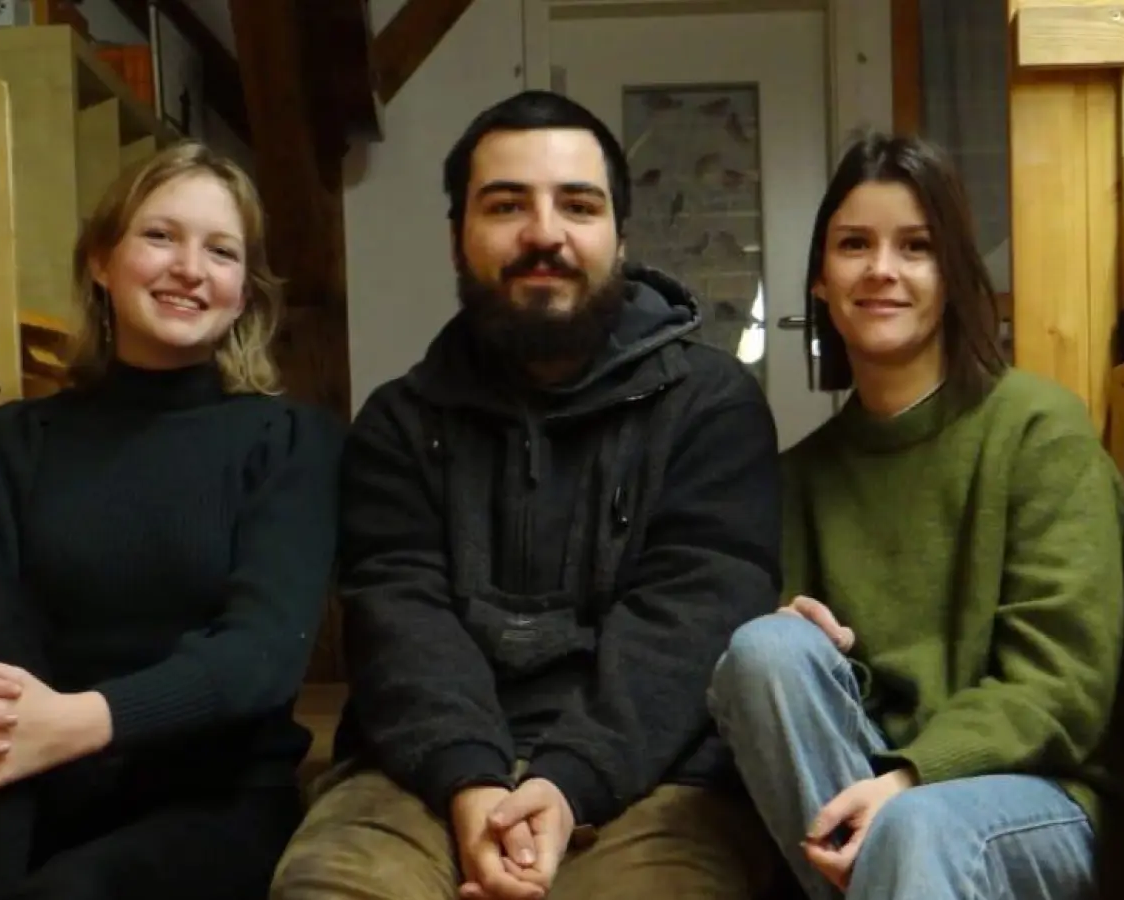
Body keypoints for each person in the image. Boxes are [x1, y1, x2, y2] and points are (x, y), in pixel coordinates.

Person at [270, 89, 782, 900]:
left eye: (578, 205)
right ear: (455, 239)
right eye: (507, 205)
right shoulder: (397, 422)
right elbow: (401, 620)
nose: (544, 234)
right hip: (418, 778)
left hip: (658, 781)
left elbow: (695, 617)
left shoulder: (712, 406)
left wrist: (568, 781)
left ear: (619, 236)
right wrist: (473, 784)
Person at [0, 140, 343, 900]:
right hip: (23, 786)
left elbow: (263, 655)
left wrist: (74, 724)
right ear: (100, 262)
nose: (189, 268)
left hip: (207, 801)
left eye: (221, 251)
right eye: (159, 236)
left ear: (243, 293)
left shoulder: (289, 442)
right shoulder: (14, 439)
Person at [707, 133, 1124, 900]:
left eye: (915, 247)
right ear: (820, 279)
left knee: (914, 827)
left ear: (952, 274)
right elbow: (786, 714)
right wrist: (809, 643)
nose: (881, 269)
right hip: (862, 804)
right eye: (855, 245)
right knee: (763, 649)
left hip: (1043, 799)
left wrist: (913, 777)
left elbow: (1065, 686)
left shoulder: (1038, 430)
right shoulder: (796, 479)